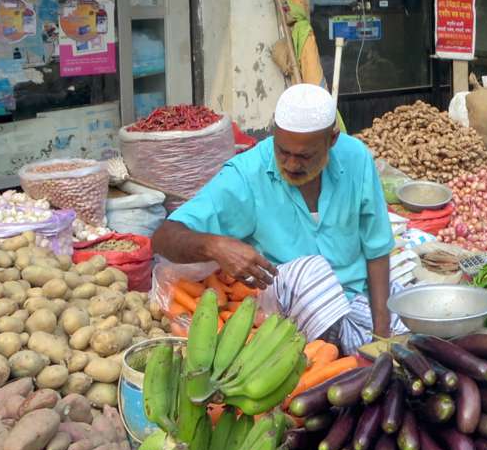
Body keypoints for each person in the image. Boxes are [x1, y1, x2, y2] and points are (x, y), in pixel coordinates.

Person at [151, 84, 407, 355]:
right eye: (283, 151)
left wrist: (382, 336)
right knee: (313, 273)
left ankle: (352, 344)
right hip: (287, 301)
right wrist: (213, 245)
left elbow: (377, 249)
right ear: (273, 135)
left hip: (356, 295)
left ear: (331, 140)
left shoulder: (356, 158)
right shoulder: (247, 174)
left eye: (305, 156)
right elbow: (163, 237)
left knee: (421, 323)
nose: (292, 164)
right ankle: (335, 348)